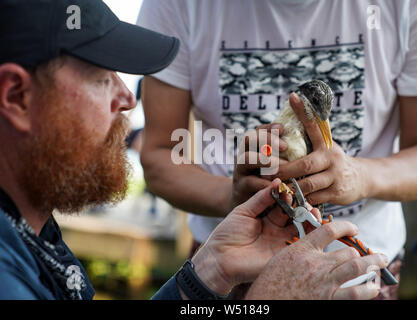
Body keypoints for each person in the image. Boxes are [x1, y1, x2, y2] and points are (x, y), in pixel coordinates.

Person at [0, 0, 388, 300]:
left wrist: (205, 274)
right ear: (16, 95)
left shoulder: (30, 236)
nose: (127, 98)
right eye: (102, 78)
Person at [137, 0, 417, 299]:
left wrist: (360, 177)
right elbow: (158, 155)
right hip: (229, 269)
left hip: (361, 270)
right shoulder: (177, 3)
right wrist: (234, 197)